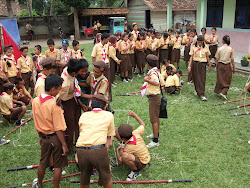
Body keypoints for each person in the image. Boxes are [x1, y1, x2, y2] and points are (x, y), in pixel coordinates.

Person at [32, 74, 68, 188]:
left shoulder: (35, 101)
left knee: (42, 163)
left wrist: (40, 136)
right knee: (58, 165)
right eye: (58, 89)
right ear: (53, 89)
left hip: (44, 137)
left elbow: (37, 121)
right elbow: (58, 128)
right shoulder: (54, 105)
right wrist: (64, 144)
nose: (59, 91)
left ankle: (39, 184)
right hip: (55, 138)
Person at [76, 94, 115, 188]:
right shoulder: (109, 115)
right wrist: (105, 155)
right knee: (106, 177)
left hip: (80, 150)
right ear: (105, 107)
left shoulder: (83, 116)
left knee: (84, 176)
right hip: (98, 150)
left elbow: (82, 132)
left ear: (91, 106)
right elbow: (109, 138)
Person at [59, 58, 91, 154]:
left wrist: (80, 103)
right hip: (66, 103)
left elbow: (76, 91)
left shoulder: (68, 70)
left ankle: (78, 142)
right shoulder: (66, 83)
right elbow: (62, 98)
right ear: (73, 72)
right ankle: (69, 148)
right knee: (70, 126)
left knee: (77, 121)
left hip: (73, 100)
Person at [116, 111, 150, 181]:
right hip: (145, 157)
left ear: (122, 139)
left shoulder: (128, 148)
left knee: (125, 156)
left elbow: (120, 163)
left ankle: (135, 171)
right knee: (127, 155)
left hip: (143, 163)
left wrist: (117, 151)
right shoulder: (135, 133)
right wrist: (134, 115)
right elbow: (143, 124)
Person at [144, 54, 165, 148]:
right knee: (156, 117)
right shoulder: (156, 70)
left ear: (148, 64)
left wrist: (147, 80)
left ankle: (155, 140)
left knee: (153, 119)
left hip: (154, 98)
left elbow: (156, 82)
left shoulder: (152, 73)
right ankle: (156, 133)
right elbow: (162, 82)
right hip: (157, 97)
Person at [188, 35, 211, 101]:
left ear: (203, 41)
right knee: (196, 78)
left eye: (201, 42)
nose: (200, 43)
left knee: (202, 78)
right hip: (195, 63)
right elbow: (191, 57)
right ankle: (197, 90)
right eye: (198, 42)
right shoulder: (194, 47)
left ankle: (201, 94)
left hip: (203, 64)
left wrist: (209, 65)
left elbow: (207, 56)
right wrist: (189, 66)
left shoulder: (206, 47)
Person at [214, 35, 235, 100]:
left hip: (220, 65)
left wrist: (216, 66)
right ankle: (223, 92)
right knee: (227, 79)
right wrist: (234, 68)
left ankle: (219, 91)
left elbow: (217, 59)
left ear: (223, 41)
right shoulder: (231, 49)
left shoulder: (219, 49)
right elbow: (232, 60)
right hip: (227, 65)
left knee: (220, 78)